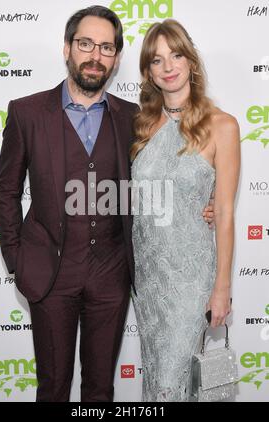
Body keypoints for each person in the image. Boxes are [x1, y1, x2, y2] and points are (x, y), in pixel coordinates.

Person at [0, 6, 214, 402]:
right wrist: (17, 259)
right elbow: (6, 191)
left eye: (107, 48)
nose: (96, 56)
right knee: (53, 387)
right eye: (86, 44)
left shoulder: (134, 118)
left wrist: (204, 203)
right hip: (50, 275)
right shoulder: (26, 113)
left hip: (112, 275)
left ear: (116, 58)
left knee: (100, 389)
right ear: (67, 49)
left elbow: (164, 177)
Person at [131, 19, 240, 402]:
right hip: (146, 281)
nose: (169, 66)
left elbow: (224, 212)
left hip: (191, 281)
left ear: (190, 60)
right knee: (159, 377)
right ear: (149, 72)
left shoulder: (222, 126)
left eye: (176, 54)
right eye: (157, 60)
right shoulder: (141, 126)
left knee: (170, 384)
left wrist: (221, 288)